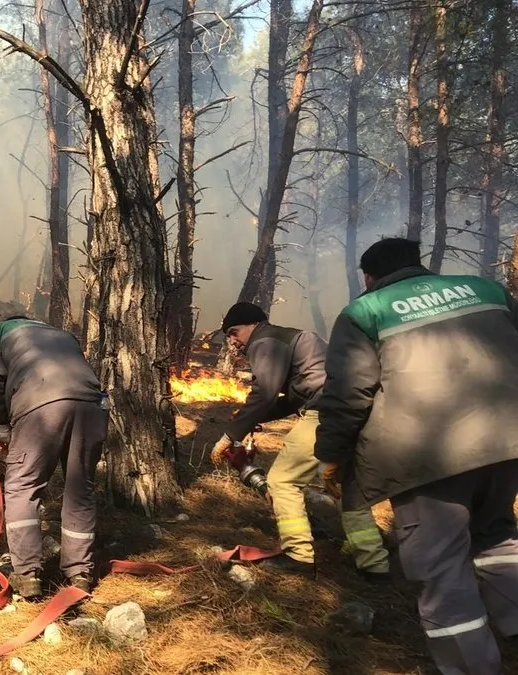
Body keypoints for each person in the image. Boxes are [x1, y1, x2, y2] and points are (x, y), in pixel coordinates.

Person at [315, 237, 518, 674]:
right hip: (506, 443)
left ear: (369, 277)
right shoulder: (488, 290)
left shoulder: (364, 311)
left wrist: (330, 456)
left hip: (425, 458)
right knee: (497, 538)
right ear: (418, 264)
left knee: (441, 567)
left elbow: (349, 395)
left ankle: (471, 667)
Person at [210, 302, 390, 579]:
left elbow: (265, 392)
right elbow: (296, 396)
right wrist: (259, 417)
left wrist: (230, 435)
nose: (232, 341)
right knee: (347, 486)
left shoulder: (265, 340)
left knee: (282, 481)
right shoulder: (292, 337)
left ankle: (299, 557)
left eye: (234, 332)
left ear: (253, 325)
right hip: (353, 411)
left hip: (325, 413)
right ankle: (374, 564)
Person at [0, 315, 107, 599]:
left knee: (23, 486)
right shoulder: (61, 334)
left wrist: (1, 423)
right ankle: (80, 572)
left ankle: (27, 574)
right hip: (92, 405)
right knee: (80, 488)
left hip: (39, 404)